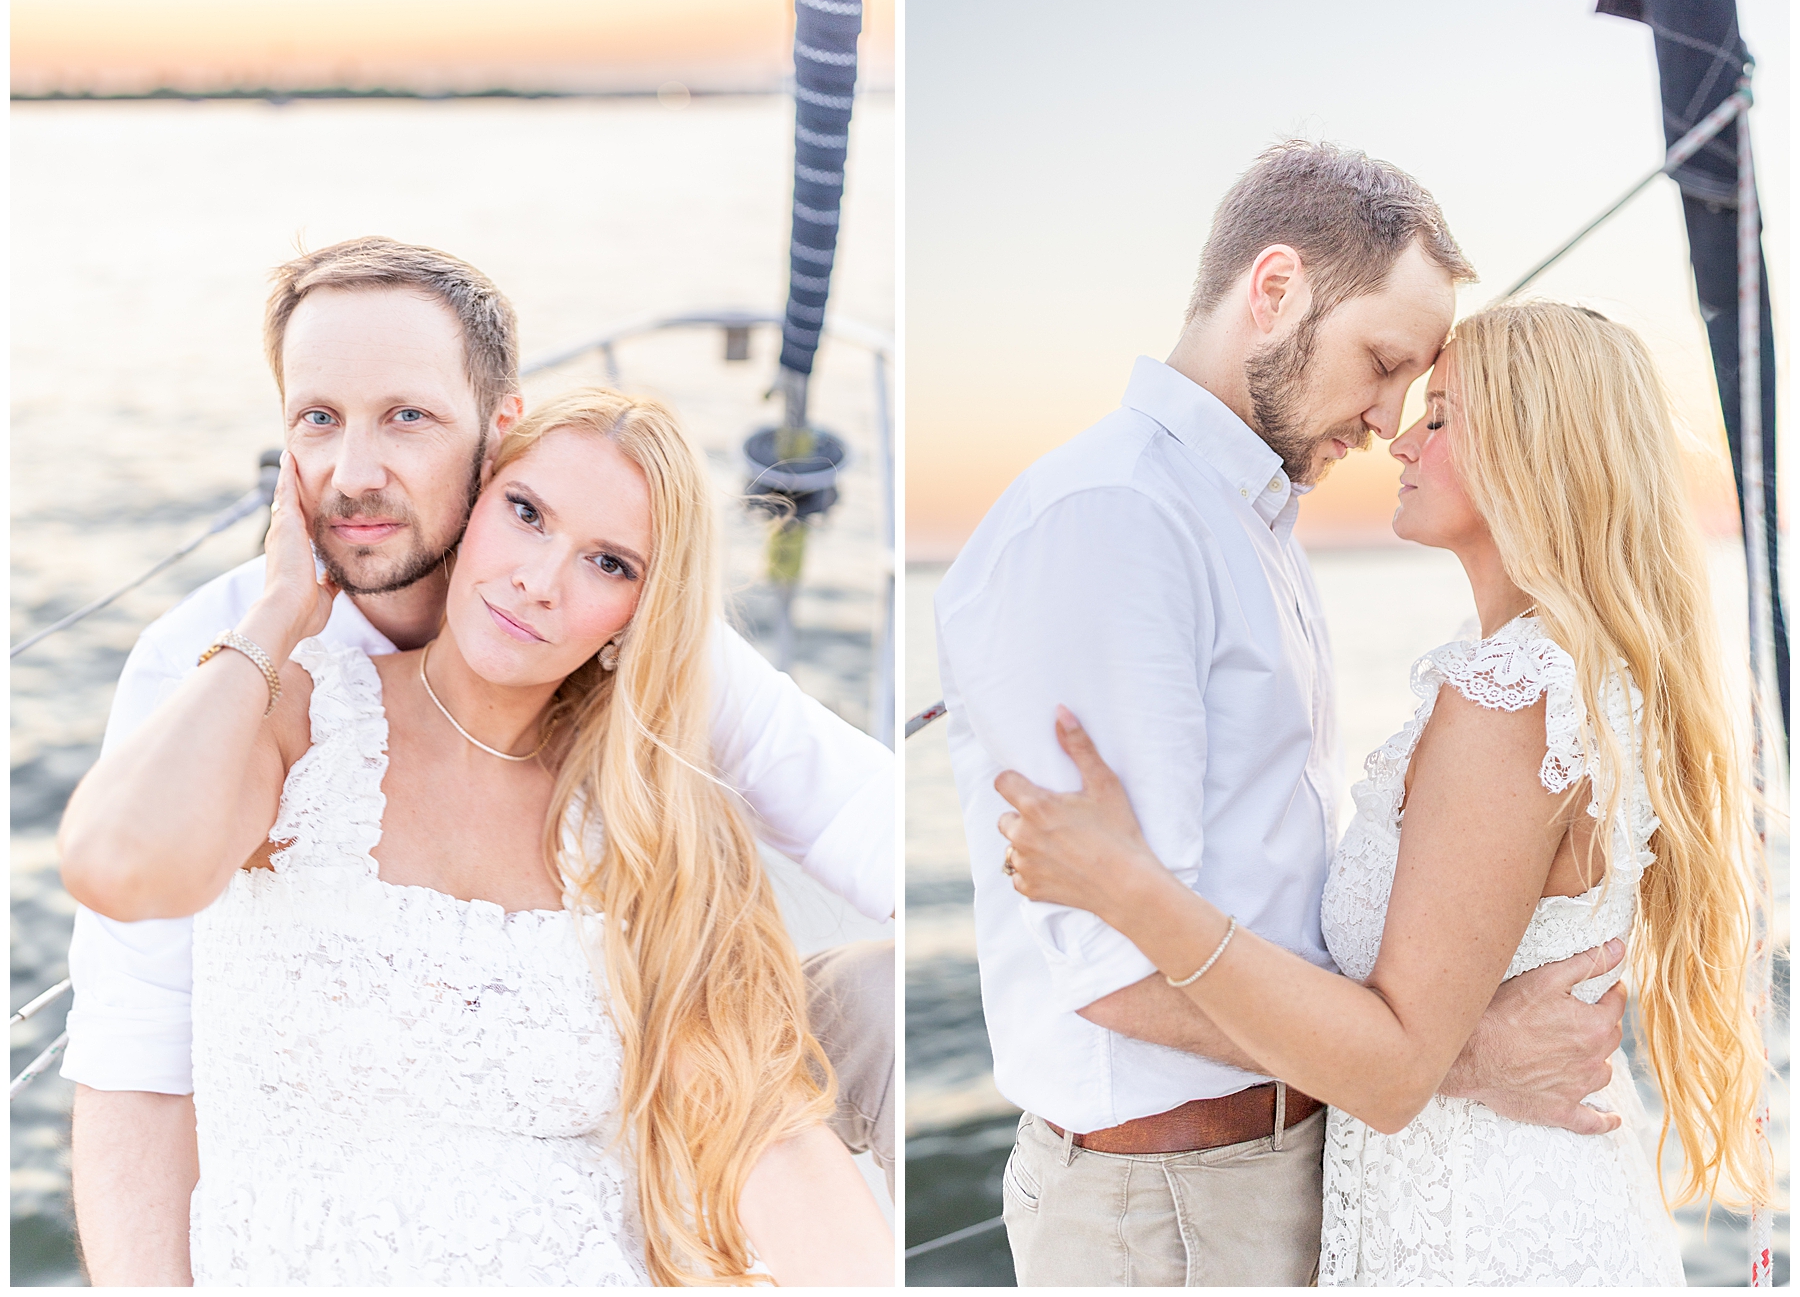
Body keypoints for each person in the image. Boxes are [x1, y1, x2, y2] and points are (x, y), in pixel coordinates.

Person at [57, 238, 894, 1284]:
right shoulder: (241, 672)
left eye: (407, 416)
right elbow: (134, 1021)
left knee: (875, 1001)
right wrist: (277, 615)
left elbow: (846, 834)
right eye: (320, 418)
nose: (355, 474)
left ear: (495, 440)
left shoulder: (644, 730)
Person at [933, 142, 1629, 1287]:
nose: (1390, 417)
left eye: (1418, 390)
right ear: (1274, 292)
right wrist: (1459, 1055)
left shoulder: (1245, 513)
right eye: (1382, 362)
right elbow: (1112, 962)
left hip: (1275, 1167)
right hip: (1176, 1204)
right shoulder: (1118, 521)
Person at [997, 300, 1770, 1284]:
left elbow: (1398, 1058)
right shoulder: (1573, 677)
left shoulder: (1511, 698)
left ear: (1532, 454)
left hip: (1476, 1234)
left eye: (1441, 417)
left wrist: (1129, 889)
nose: (1402, 438)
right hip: (1522, 1199)